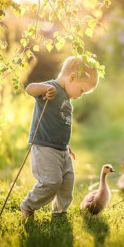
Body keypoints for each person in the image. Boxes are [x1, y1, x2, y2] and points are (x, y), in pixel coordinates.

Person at [20, 56, 99, 219]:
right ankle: (28, 204)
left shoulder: (67, 98)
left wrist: (65, 145)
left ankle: (60, 212)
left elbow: (60, 124)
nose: (80, 95)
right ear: (72, 78)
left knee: (67, 182)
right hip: (45, 147)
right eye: (82, 90)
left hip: (61, 149)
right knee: (52, 181)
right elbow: (30, 88)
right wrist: (45, 89)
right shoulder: (51, 88)